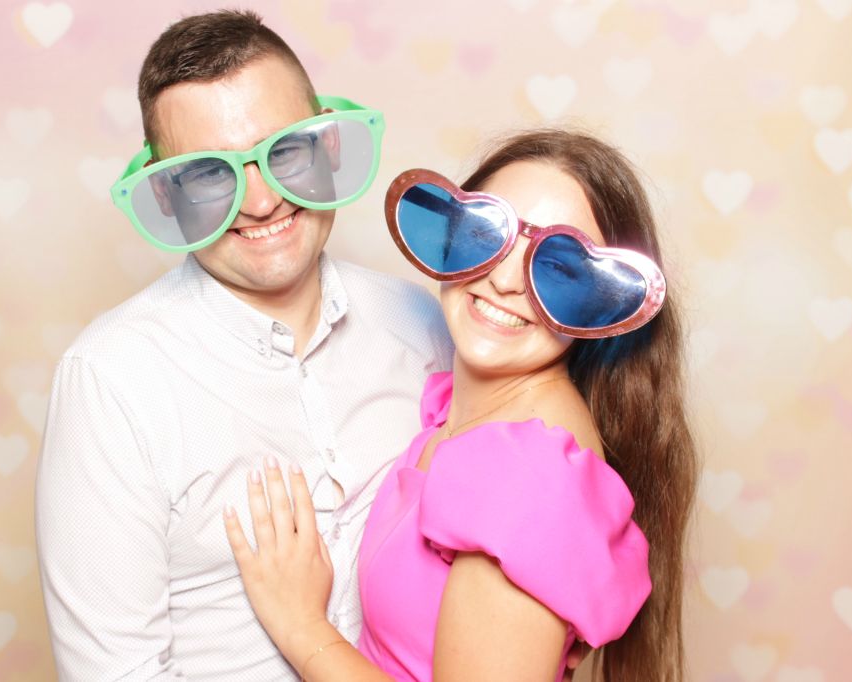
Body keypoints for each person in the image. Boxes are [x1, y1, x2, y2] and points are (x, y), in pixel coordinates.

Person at [33, 10, 457, 680]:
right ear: (166, 195)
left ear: (329, 145)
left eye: (284, 151)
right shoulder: (110, 381)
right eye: (209, 174)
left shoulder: (422, 323)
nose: (261, 202)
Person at [224, 129, 700, 681]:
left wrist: (302, 626)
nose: (504, 280)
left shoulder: (528, 475)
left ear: (600, 305)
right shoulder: (456, 409)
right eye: (486, 234)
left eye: (558, 268)